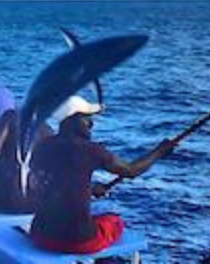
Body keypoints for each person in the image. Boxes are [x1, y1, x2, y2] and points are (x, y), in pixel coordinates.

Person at [29, 96, 173, 255]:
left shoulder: (43, 146)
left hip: (40, 235)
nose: (91, 124)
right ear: (72, 120)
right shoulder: (90, 150)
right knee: (114, 221)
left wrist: (88, 190)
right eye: (86, 119)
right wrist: (160, 151)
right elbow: (131, 171)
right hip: (76, 241)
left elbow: (55, 185)